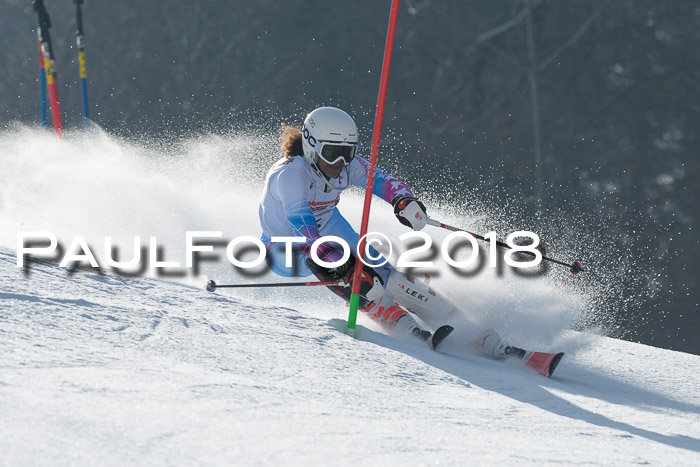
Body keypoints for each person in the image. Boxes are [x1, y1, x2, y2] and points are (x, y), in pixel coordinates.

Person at [258, 106, 511, 357]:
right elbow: (304, 228)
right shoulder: (289, 175)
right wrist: (344, 263)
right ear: (312, 145)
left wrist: (403, 201)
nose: (340, 162)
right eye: (333, 153)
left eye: (347, 153)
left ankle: (470, 331)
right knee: (345, 267)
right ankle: (395, 319)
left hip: (327, 223)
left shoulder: (347, 166)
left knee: (389, 275)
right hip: (285, 246)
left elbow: (381, 181)